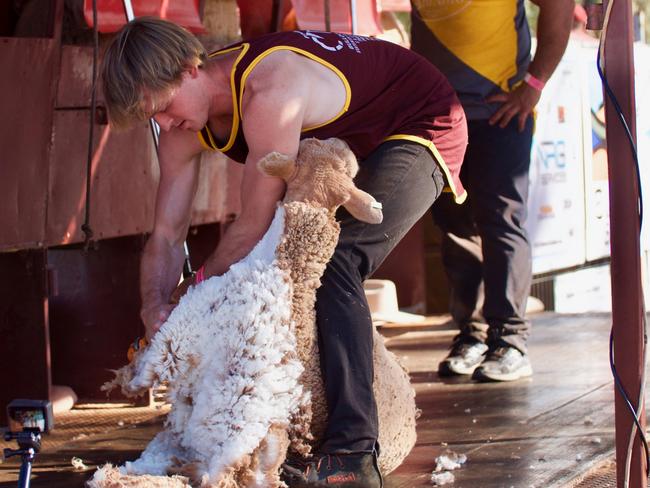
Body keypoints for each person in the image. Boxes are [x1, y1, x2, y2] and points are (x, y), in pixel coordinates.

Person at [102, 17, 467, 487]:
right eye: (154, 117)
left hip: (420, 118)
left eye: (165, 108)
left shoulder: (269, 89)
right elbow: (166, 235)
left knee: (337, 261)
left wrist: (188, 300)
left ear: (191, 68)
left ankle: (355, 451)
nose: (165, 124)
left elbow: (253, 222)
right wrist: (153, 306)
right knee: (292, 274)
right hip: (357, 135)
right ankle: (291, 433)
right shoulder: (182, 122)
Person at [411, 0, 574, 382]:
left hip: (499, 109)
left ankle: (510, 341)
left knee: (500, 220)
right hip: (438, 114)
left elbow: (559, 6)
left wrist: (533, 85)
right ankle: (473, 335)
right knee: (453, 225)